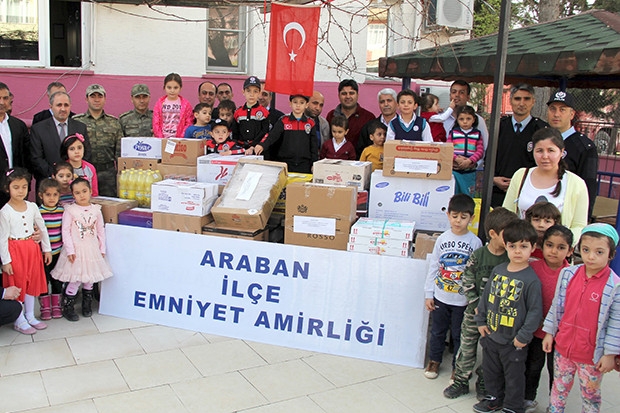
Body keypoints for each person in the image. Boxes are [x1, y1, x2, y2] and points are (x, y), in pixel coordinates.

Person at [443, 207, 520, 400]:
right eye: (507, 235)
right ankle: (460, 380)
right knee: (467, 347)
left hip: (497, 317)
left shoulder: (510, 259)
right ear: (493, 234)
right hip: (474, 312)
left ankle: (485, 382)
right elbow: (467, 280)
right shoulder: (478, 255)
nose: (512, 239)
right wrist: (476, 303)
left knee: (492, 352)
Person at [542, 223, 620, 413]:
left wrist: (610, 354)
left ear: (611, 254)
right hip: (563, 348)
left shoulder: (615, 285)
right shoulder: (568, 274)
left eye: (599, 252)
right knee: (558, 389)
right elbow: (557, 306)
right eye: (586, 250)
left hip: (591, 356)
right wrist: (549, 332)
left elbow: (616, 323)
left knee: (590, 395)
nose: (591, 256)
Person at [473, 220, 543, 413]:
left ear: (533, 247)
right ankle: (494, 398)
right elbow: (485, 298)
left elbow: (535, 312)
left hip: (514, 341)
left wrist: (523, 337)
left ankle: (513, 406)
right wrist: (481, 322)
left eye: (523, 246)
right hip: (492, 336)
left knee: (514, 376)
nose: (517, 251)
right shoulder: (498, 271)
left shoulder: (531, 280)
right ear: (506, 246)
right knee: (491, 371)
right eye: (512, 246)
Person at [424, 194, 482, 379]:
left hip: (462, 300)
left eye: (463, 217)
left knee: (459, 334)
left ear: (471, 218)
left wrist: (474, 300)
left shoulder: (475, 242)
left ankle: (459, 366)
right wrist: (429, 293)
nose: (458, 221)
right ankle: (434, 361)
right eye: (455, 216)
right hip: (441, 296)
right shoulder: (442, 239)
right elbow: (434, 266)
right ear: (448, 215)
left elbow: (477, 274)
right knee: (438, 331)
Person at [503, 128, 589, 244]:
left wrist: (560, 245)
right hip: (520, 249)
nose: (545, 156)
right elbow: (507, 214)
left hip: (555, 254)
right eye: (539, 151)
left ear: (562, 152)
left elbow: (579, 225)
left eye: (551, 150)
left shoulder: (576, 184)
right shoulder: (520, 175)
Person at [525, 225, 573, 413]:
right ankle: (528, 398)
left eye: (561, 247)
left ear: (570, 250)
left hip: (559, 335)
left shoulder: (572, 274)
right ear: (542, 246)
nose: (554, 251)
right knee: (533, 366)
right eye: (549, 245)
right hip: (535, 331)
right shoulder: (532, 266)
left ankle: (556, 405)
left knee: (557, 371)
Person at [51, 178, 113, 321]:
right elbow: (65, 231)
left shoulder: (96, 210)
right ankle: (68, 306)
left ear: (90, 191)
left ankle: (87, 304)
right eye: (77, 193)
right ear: (73, 195)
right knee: (76, 278)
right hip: (76, 250)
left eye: (84, 191)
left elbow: (100, 230)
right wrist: (70, 250)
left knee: (89, 278)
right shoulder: (70, 210)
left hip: (92, 249)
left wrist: (102, 247)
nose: (82, 195)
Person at [0, 168, 52, 334]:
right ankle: (19, 318)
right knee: (19, 283)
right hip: (15, 250)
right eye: (16, 187)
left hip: (31, 248)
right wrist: (6, 261)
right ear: (8, 188)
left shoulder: (32, 206)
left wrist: (47, 249)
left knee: (32, 282)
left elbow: (42, 227)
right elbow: (2, 237)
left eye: (24, 187)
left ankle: (30, 314)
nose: (20, 191)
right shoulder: (4, 211)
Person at [492, 84, 548, 207]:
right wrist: (494, 179)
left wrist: (520, 182)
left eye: (526, 99)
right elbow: (488, 158)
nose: (522, 103)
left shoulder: (541, 129)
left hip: (528, 194)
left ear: (533, 101)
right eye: (517, 99)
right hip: (498, 193)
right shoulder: (498, 126)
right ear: (510, 101)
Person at [546, 90, 598, 219]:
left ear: (572, 114)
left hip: (566, 213)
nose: (556, 114)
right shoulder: (541, 140)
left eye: (562, 110)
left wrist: (584, 220)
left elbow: (588, 188)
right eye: (553, 109)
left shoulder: (584, 147)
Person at [30, 91, 90, 185]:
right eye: (59, 105)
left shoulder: (80, 127)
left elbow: (86, 153)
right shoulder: (38, 129)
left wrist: (73, 174)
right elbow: (36, 158)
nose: (63, 109)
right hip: (48, 183)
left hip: (75, 182)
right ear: (51, 106)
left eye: (66, 105)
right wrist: (55, 175)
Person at [73, 84, 122, 197]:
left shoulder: (114, 122)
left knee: (109, 206)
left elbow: (119, 151)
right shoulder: (77, 122)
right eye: (92, 96)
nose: (96, 99)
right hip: (83, 172)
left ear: (104, 98)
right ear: (86, 99)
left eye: (99, 96)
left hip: (108, 173)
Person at [254, 94, 317, 173]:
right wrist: (262, 145)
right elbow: (272, 136)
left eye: (301, 103)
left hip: (304, 165)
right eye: (295, 102)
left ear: (306, 105)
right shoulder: (283, 120)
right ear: (290, 103)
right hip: (285, 163)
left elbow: (314, 146)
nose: (298, 105)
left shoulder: (311, 123)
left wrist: (314, 164)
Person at [37, 178, 65, 320]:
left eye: (55, 194)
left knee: (57, 279)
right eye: (48, 195)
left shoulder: (62, 211)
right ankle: (45, 306)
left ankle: (56, 305)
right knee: (43, 280)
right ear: (41, 195)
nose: (52, 198)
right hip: (43, 255)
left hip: (58, 253)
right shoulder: (38, 213)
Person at [0, 83, 30, 208]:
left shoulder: (18, 126)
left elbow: (26, 155)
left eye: (5, 98)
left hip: (17, 188)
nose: (2, 102)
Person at [326, 79, 375, 151]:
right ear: (338, 96)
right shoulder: (331, 116)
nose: (348, 96)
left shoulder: (368, 117)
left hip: (360, 161)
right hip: (334, 160)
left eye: (351, 93)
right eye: (344, 93)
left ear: (357, 95)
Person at [447, 105, 484, 196]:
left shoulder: (477, 134)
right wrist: (456, 159)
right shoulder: (453, 133)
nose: (465, 122)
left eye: (468, 119)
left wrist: (470, 160)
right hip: (455, 170)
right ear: (457, 120)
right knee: (453, 194)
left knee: (467, 194)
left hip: (469, 171)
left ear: (473, 119)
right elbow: (448, 148)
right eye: (461, 119)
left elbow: (480, 151)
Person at [443, 80, 489, 152]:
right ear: (450, 96)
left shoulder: (478, 120)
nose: (457, 95)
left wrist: (472, 162)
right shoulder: (442, 119)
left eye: (461, 93)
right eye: (454, 92)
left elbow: (484, 147)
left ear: (468, 97)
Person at [232, 76, 269, 154]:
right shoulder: (238, 112)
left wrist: (253, 145)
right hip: (241, 149)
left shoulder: (264, 112)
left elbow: (265, 131)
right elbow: (235, 133)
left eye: (255, 91)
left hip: (257, 149)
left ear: (259, 93)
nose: (251, 94)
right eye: (248, 91)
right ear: (243, 92)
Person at [357, 88, 398, 155]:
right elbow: (361, 151)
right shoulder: (369, 126)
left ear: (396, 103)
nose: (386, 104)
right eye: (382, 102)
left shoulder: (403, 125)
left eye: (389, 100)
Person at [152, 73, 194, 138]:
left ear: (180, 88)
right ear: (164, 87)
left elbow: (188, 122)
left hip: (179, 140)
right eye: (169, 87)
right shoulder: (159, 103)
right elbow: (156, 122)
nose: (172, 90)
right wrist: (160, 137)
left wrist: (180, 137)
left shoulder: (186, 104)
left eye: (175, 88)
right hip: (162, 139)